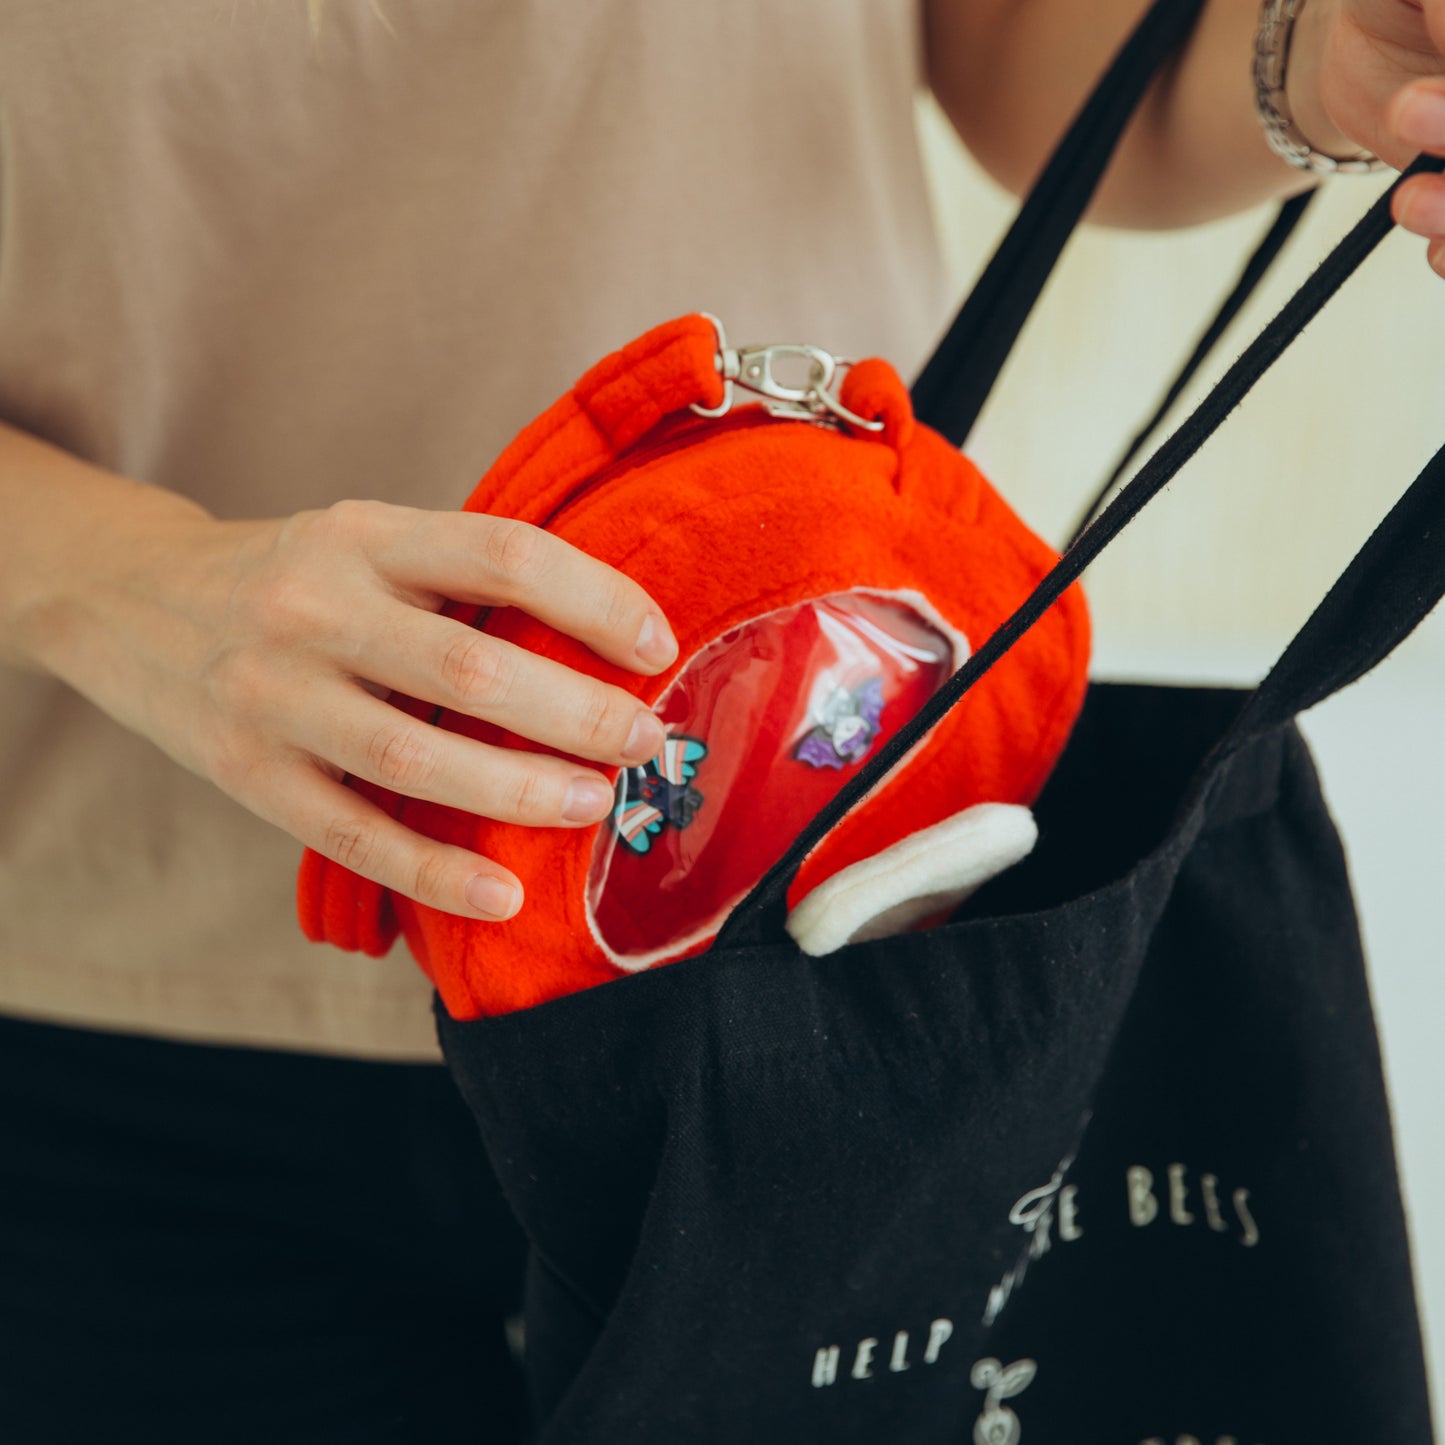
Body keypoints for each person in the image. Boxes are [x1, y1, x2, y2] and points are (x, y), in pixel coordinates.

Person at [0, 1, 1441, 1440]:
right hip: (119, 1018)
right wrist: (119, 578)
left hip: (841, 971)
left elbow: (1001, 47)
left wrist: (1308, 59)